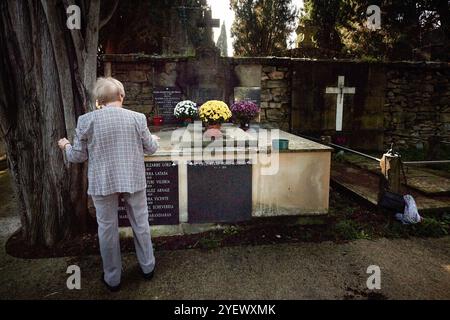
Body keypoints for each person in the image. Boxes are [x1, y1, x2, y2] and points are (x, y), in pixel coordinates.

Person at [58, 77, 159, 292]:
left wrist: (65, 145)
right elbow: (150, 148)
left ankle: (113, 278)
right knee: (140, 223)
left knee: (107, 229)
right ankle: (148, 267)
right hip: (133, 178)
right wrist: (156, 140)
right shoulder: (137, 118)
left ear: (99, 100)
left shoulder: (86, 120)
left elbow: (77, 156)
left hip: (102, 181)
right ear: (121, 95)